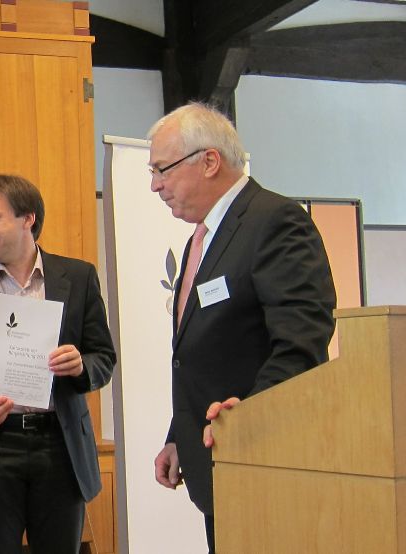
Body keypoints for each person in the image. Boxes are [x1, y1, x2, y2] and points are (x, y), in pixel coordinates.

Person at [148, 102, 336, 552]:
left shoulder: (275, 222)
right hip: (218, 461)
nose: (155, 185)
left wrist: (248, 417)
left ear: (210, 161)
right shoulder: (202, 239)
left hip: (265, 460)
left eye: (162, 169)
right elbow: (207, 353)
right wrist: (180, 436)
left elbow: (301, 342)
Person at [0, 174, 116, 554]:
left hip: (59, 445)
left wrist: (81, 366)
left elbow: (104, 357)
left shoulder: (78, 277)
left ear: (27, 218)